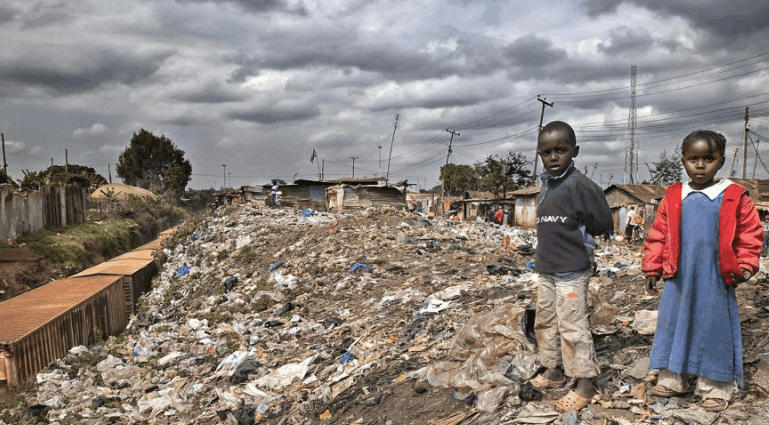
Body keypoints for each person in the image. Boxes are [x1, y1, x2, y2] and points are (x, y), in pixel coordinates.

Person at [642, 130, 762, 412]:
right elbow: (659, 234)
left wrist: (745, 265)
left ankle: (715, 385)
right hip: (678, 276)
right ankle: (673, 377)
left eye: (709, 159)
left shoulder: (734, 196)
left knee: (714, 327)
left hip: (715, 276)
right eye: (692, 159)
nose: (699, 165)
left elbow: (750, 234)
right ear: (683, 160)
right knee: (673, 324)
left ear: (721, 161)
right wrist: (652, 267)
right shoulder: (674, 195)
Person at [527, 121, 614, 412]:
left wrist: (583, 234)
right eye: (546, 152)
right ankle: (553, 370)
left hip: (572, 270)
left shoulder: (581, 185)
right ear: (540, 154)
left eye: (560, 150)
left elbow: (602, 222)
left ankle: (585, 383)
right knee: (545, 322)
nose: (553, 157)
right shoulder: (547, 185)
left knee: (573, 327)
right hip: (547, 269)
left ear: (574, 151)